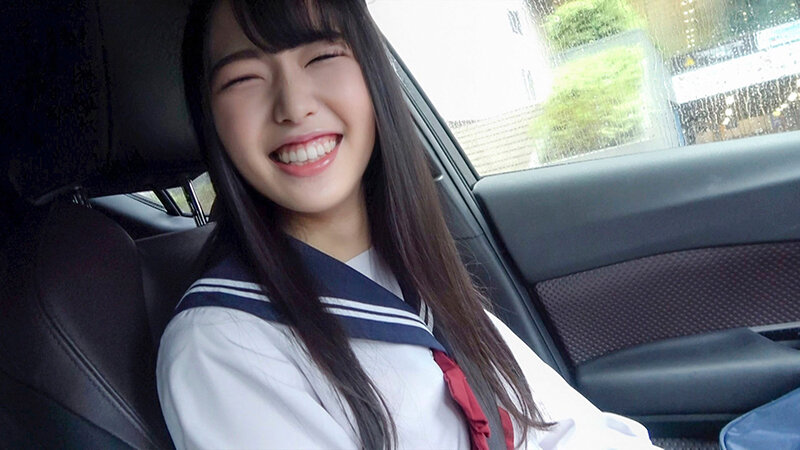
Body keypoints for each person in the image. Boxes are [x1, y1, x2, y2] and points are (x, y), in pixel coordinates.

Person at [156, 0, 661, 449]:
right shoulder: (221, 345)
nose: (294, 105)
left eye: (322, 56)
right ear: (211, 118)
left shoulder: (416, 270)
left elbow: (559, 427)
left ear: (372, 74)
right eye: (243, 79)